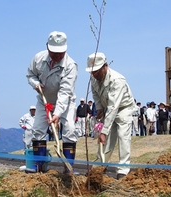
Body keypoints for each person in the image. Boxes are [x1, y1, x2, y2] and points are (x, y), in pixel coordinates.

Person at [26, 31, 78, 173]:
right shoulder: (38, 58)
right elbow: (30, 75)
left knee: (70, 131)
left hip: (65, 103)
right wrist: (35, 84)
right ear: (47, 47)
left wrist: (57, 114)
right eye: (53, 52)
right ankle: (39, 165)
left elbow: (65, 92)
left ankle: (69, 168)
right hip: (44, 100)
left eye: (60, 53)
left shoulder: (70, 66)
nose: (56, 56)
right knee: (37, 129)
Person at [86, 52, 135, 180]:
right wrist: (99, 107)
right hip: (108, 108)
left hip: (123, 107)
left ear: (105, 66)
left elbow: (114, 107)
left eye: (97, 71)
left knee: (123, 136)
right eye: (92, 72)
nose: (94, 74)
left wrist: (104, 131)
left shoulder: (117, 80)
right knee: (106, 140)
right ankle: (100, 166)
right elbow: (95, 94)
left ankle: (123, 170)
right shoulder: (93, 77)